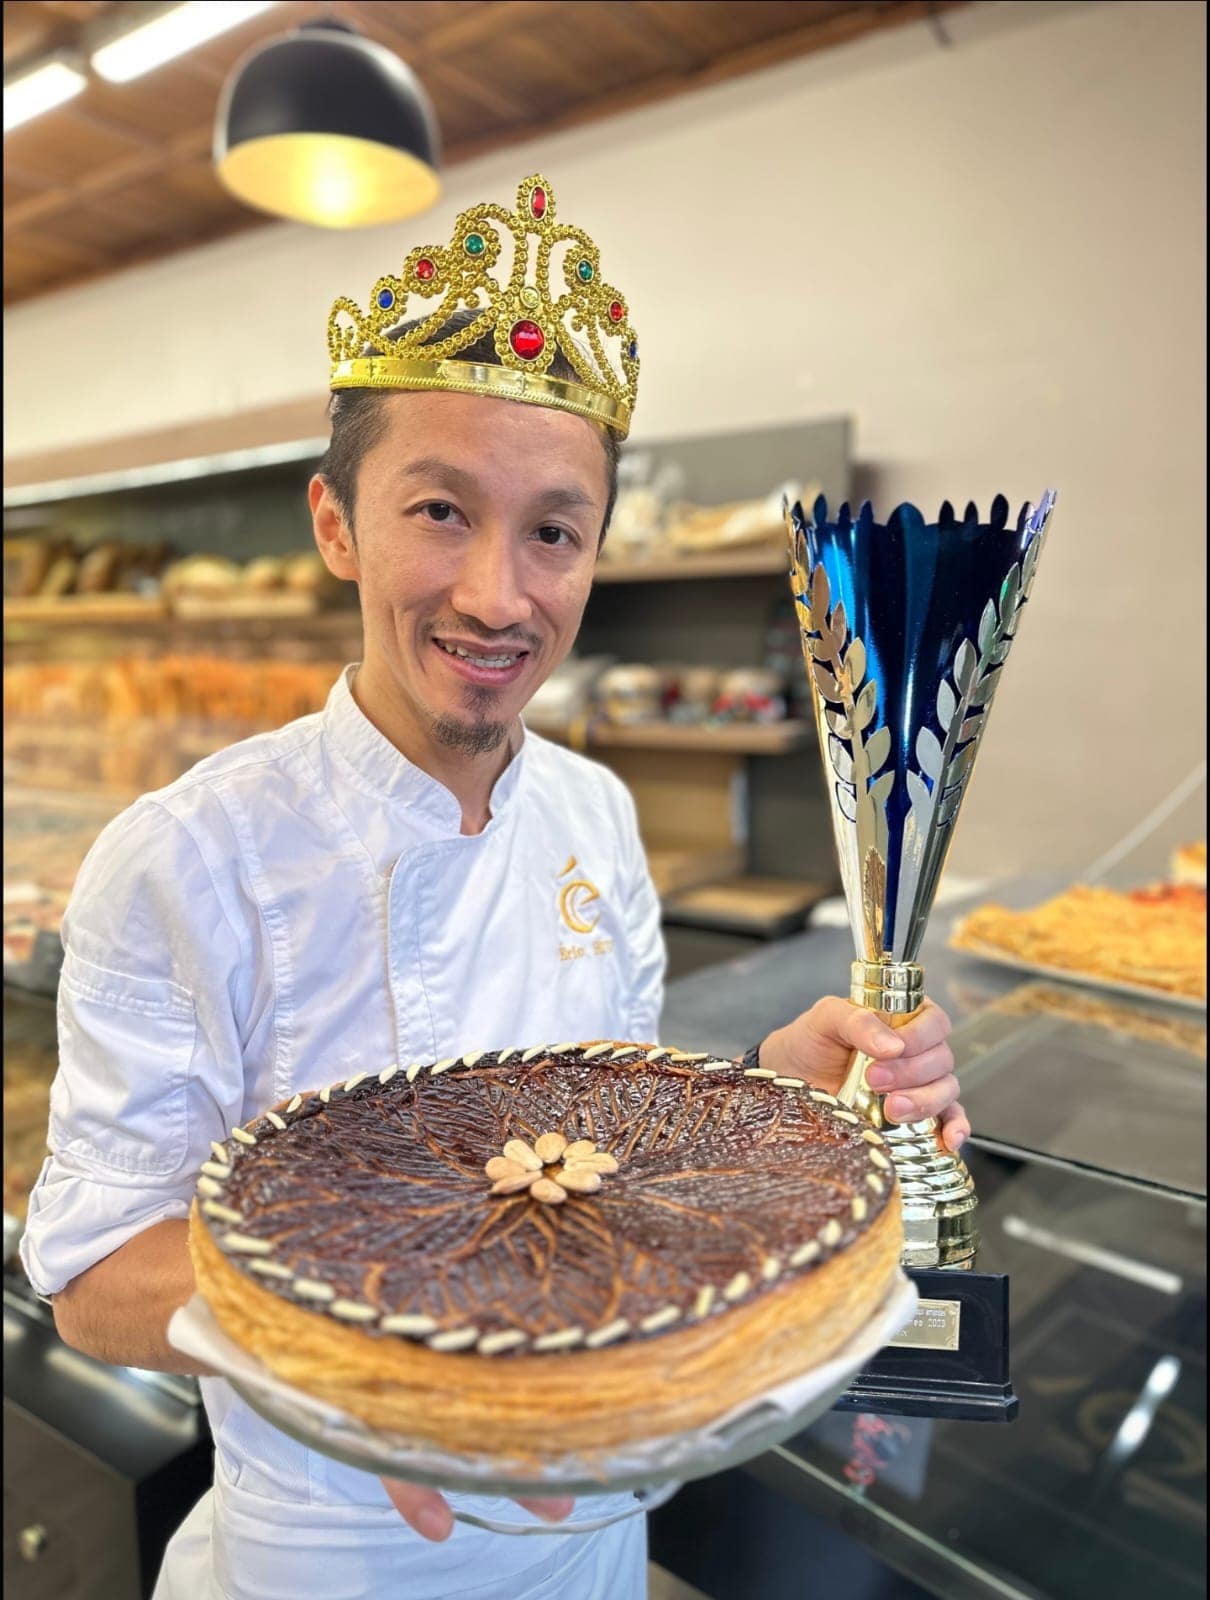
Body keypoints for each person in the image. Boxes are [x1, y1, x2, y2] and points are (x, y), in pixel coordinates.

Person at [20, 175, 968, 1600]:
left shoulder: (594, 807)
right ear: (336, 523)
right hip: (326, 1556)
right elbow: (93, 1276)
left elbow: (590, 1147)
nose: (496, 594)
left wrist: (772, 1098)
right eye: (440, 510)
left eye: (552, 531)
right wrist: (374, 1356)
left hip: (596, 1537)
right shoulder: (184, 855)